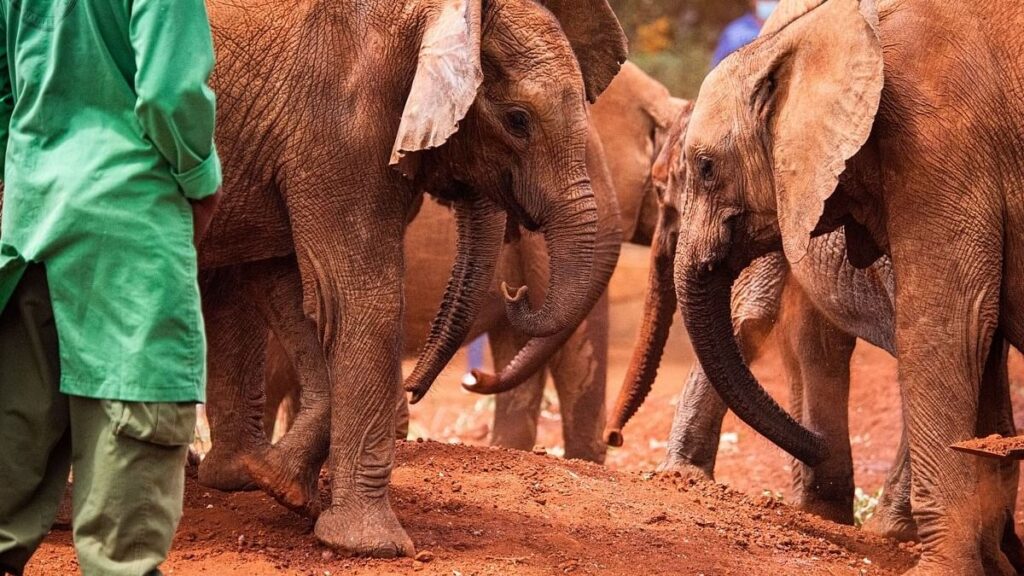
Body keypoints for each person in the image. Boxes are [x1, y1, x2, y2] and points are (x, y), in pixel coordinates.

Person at [0, 1, 222, 575]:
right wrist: (200, 180)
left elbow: (5, 93)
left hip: (31, 228)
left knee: (11, 453)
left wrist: (28, 177)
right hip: (130, 232)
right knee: (124, 530)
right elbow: (170, 94)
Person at [710, 0, 779, 68]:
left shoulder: (782, 29)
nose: (770, 2)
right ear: (752, 1)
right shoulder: (736, 32)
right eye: (765, 0)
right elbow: (718, 66)